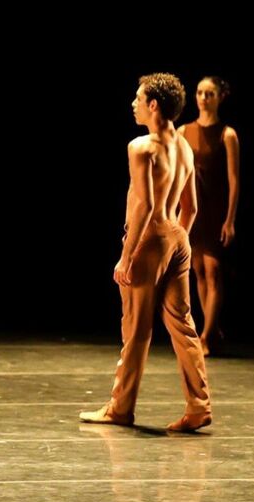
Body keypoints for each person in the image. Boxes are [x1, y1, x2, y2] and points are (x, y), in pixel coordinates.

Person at [79, 73, 212, 432]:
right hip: (177, 238)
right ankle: (199, 406)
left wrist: (128, 255)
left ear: (154, 105)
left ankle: (120, 408)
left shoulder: (141, 147)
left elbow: (146, 206)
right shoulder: (184, 146)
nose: (133, 104)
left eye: (138, 98)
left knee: (136, 330)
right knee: (183, 326)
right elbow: (192, 208)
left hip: (149, 241)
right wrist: (175, 241)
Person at [178, 76, 240, 356]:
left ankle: (205, 337)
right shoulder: (183, 131)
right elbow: (177, 175)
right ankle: (212, 330)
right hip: (193, 208)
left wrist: (230, 219)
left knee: (214, 271)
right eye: (200, 92)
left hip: (216, 208)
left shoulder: (227, 134)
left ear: (220, 97)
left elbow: (235, 179)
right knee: (199, 272)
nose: (203, 98)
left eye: (210, 93)